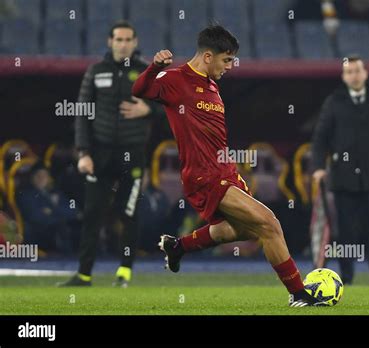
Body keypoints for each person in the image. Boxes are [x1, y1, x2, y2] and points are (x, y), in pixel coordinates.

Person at [132, 24, 319, 307]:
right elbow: (140, 89)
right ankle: (298, 294)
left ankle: (177, 246)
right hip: (204, 176)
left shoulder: (212, 86)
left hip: (225, 172)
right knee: (269, 223)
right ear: (208, 56)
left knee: (245, 231)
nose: (230, 66)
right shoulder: (175, 79)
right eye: (227, 60)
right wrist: (153, 66)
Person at [59, 21, 161, 288]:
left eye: (128, 39)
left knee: (128, 214)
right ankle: (83, 275)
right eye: (118, 39)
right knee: (92, 214)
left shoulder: (147, 73)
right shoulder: (96, 71)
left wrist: (149, 109)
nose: (123, 44)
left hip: (134, 154)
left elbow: (174, 109)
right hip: (100, 154)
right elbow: (82, 115)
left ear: (135, 43)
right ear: (110, 42)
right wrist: (83, 153)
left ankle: (124, 274)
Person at [312, 55, 369, 286]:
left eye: (357, 70)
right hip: (343, 178)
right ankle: (346, 277)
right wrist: (319, 168)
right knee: (346, 232)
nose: (354, 75)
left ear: (366, 73)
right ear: (343, 76)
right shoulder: (333, 102)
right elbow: (320, 139)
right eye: (349, 71)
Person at [18, 163, 79, 252]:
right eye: (38, 175)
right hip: (39, 233)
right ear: (32, 178)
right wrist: (59, 213)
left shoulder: (55, 194)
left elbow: (74, 211)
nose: (41, 179)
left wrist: (53, 210)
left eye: (44, 176)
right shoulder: (26, 195)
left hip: (60, 230)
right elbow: (35, 217)